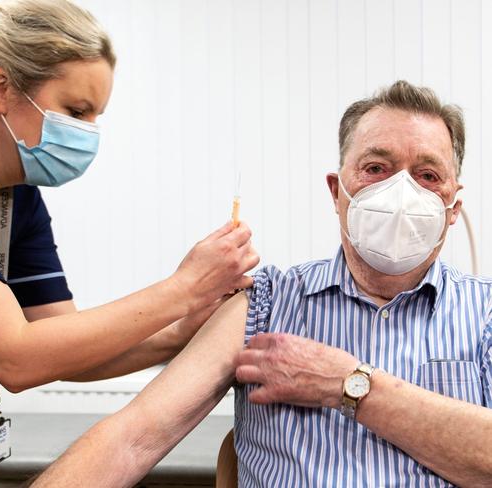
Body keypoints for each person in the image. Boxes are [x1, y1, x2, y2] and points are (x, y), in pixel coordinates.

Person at [0, 1, 259, 485]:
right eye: (76, 111)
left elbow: (61, 345)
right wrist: (183, 288)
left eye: (96, 116)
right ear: (0, 88)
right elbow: (13, 357)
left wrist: (182, 329)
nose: (88, 133)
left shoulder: (14, 197)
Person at [33, 80, 492, 488]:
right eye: (376, 168)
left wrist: (350, 385)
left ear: (452, 207)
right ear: (337, 192)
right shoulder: (266, 304)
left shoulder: (485, 312)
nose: (400, 193)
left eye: (427, 176)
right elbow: (134, 437)